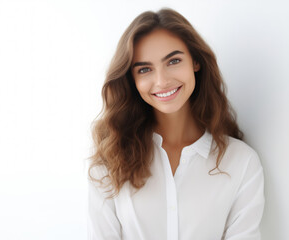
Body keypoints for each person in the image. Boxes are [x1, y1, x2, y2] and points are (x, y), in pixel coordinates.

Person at [87, 8, 265, 240]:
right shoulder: (110, 159)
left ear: (196, 62)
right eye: (144, 69)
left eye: (173, 61)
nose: (161, 81)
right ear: (133, 79)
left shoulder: (241, 163)